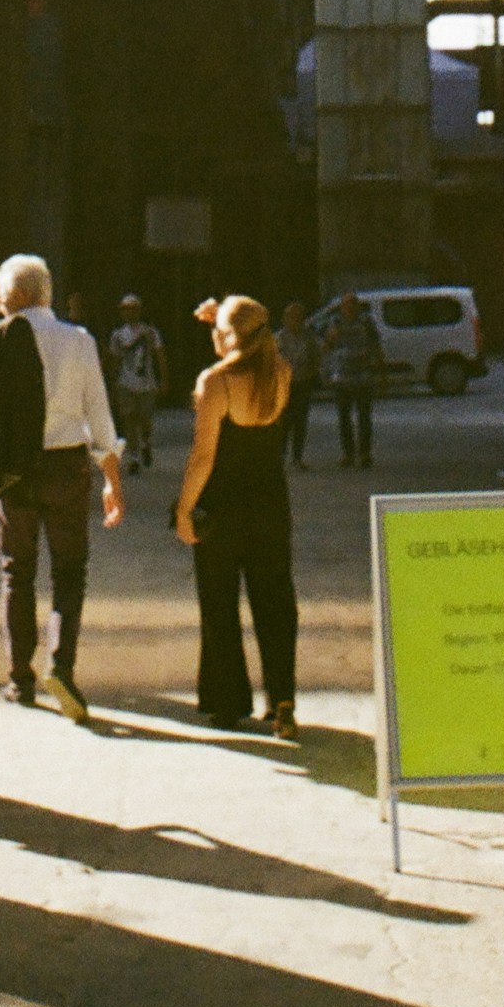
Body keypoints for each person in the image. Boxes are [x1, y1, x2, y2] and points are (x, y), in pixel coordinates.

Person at [0, 254, 123, 724]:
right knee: (70, 573)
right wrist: (112, 480)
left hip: (14, 472)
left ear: (18, 294)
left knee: (17, 571)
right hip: (67, 468)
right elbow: (100, 416)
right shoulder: (79, 340)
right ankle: (61, 667)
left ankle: (20, 677)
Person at [174, 295, 298, 738]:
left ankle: (228, 703)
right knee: (275, 601)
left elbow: (202, 457)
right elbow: (254, 334)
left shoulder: (215, 382)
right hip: (270, 505)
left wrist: (184, 509)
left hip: (222, 509)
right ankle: (283, 699)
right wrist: (224, 317)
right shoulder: (279, 371)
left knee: (220, 602)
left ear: (230, 336)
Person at [321, 289, 387, 468]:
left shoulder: (366, 322)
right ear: (342, 307)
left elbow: (375, 345)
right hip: (342, 377)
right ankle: (348, 454)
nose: (349, 308)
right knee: (344, 418)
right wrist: (326, 371)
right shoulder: (334, 323)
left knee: (364, 417)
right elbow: (326, 347)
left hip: (363, 376)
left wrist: (381, 373)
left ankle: (364, 453)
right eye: (346, 305)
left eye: (352, 304)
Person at [105, 295, 167, 471]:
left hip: (147, 383)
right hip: (126, 383)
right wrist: (112, 382)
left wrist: (163, 379)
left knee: (145, 419)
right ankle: (133, 457)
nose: (129, 312)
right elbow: (115, 359)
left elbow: (159, 356)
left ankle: (145, 442)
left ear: (139, 310)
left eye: (132, 308)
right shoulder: (117, 335)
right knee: (129, 418)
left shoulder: (150, 332)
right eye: (125, 309)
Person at [275, 301, 317, 468]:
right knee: (283, 422)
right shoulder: (278, 339)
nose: (295, 320)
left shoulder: (309, 338)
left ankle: (297, 457)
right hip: (284, 385)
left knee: (300, 421)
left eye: (299, 317)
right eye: (292, 317)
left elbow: (315, 357)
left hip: (302, 383)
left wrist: (311, 373)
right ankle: (280, 456)